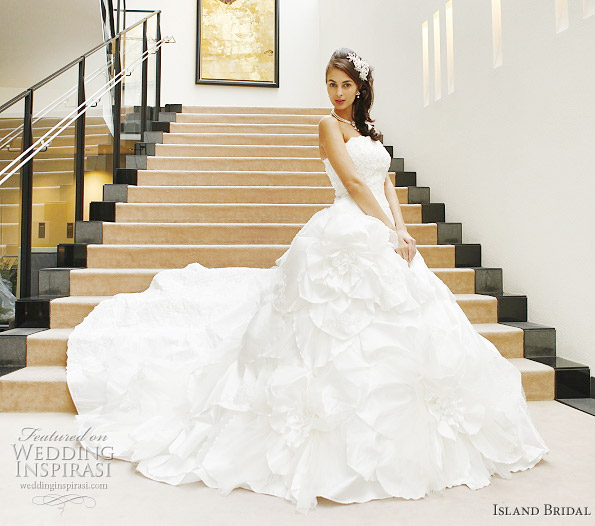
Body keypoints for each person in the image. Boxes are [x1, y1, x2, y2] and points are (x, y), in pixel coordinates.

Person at [66, 48, 550, 515]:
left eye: (345, 85)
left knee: (409, 327)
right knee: (327, 332)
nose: (337, 93)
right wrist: (385, 230)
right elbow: (355, 185)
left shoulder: (368, 129)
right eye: (331, 84)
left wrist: (401, 230)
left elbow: (384, 183)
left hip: (381, 228)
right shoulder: (326, 126)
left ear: (360, 88)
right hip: (346, 227)